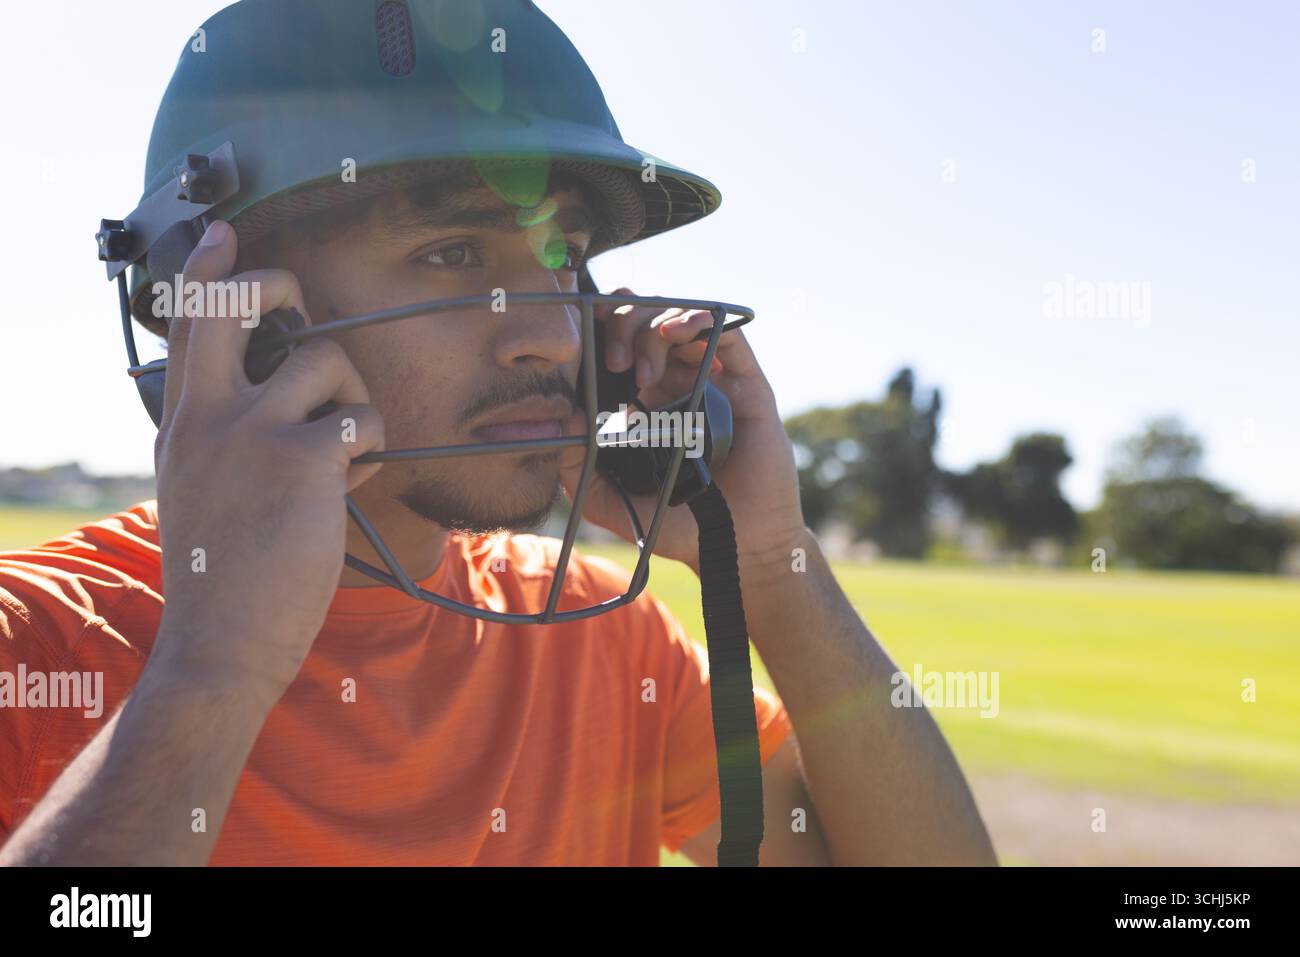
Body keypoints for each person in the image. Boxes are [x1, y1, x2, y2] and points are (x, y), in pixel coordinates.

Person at [0, 0, 995, 866]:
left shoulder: (610, 644)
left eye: (564, 254)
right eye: (452, 253)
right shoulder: (35, 646)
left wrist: (769, 562)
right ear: (235, 312)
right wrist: (211, 671)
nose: (551, 334)